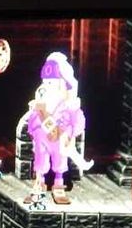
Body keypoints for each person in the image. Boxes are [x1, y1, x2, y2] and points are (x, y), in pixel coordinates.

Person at [26, 51, 91, 205]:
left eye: (52, 82)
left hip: (60, 137)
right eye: (46, 82)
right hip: (43, 136)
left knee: (60, 160)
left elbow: (75, 120)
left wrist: (68, 132)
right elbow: (35, 118)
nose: (48, 85)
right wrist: (38, 126)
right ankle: (39, 185)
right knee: (41, 159)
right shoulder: (41, 101)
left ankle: (59, 186)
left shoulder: (68, 103)